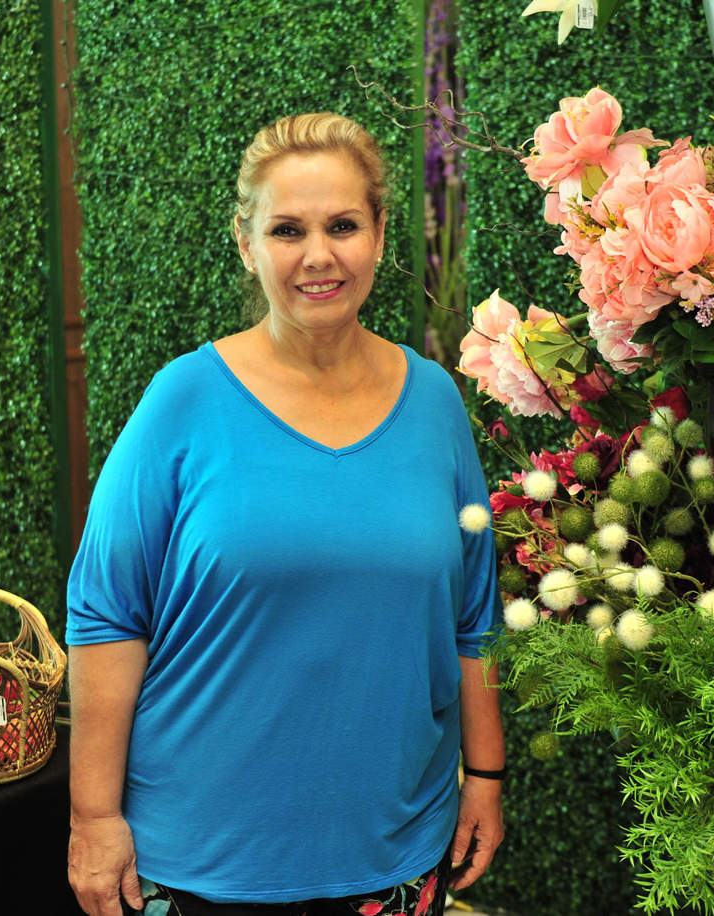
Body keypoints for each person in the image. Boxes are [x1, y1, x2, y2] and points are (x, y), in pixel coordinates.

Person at [65, 112, 505, 916]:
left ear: (380, 234)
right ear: (246, 244)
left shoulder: (435, 402)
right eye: (287, 230)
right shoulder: (181, 400)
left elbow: (473, 618)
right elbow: (106, 615)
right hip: (200, 858)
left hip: (397, 847)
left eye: (343, 225)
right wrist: (93, 818)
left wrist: (485, 775)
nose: (318, 256)